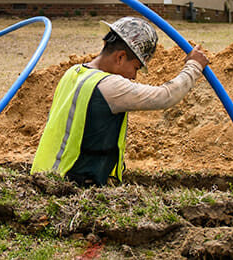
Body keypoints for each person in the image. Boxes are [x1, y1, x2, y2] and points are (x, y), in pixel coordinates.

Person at [31, 16, 209, 186]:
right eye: (136, 68)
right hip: (71, 186)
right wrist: (194, 66)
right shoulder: (110, 86)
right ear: (120, 57)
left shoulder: (73, 72)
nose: (133, 76)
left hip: (45, 176)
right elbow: (165, 96)